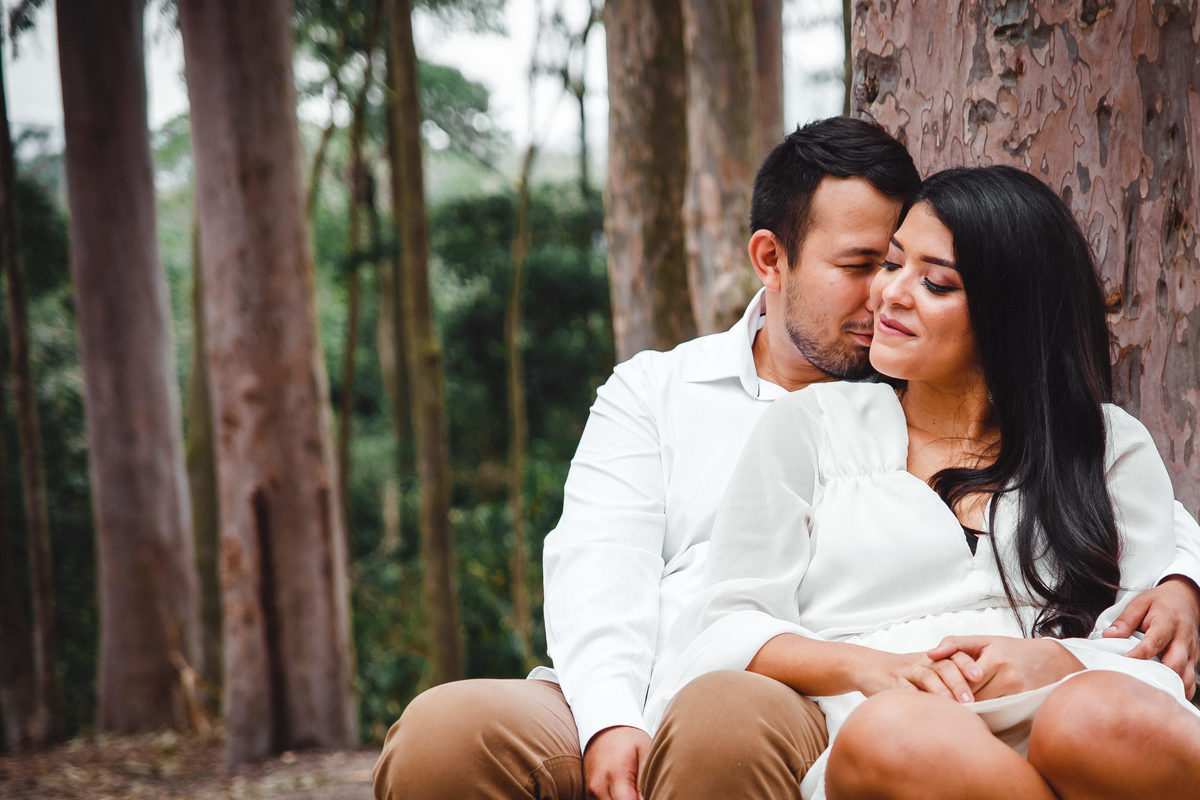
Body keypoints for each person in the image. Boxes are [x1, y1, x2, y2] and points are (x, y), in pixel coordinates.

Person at [372, 120, 1200, 800]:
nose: (885, 294)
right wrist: (610, 719)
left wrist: (1182, 580)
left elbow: (1118, 510)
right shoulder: (663, 392)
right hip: (663, 686)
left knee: (726, 719)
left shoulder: (1052, 428)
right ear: (771, 260)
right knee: (447, 734)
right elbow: (600, 569)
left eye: (913, 266)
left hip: (791, 706)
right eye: (867, 266)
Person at [642, 166, 1200, 800]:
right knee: (897, 734)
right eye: (890, 263)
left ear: (1011, 314)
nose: (889, 294)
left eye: (935, 283)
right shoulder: (811, 428)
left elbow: (1154, 640)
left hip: (1069, 708)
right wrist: (876, 669)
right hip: (889, 738)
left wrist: (1060, 659)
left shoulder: (1104, 443)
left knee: (1094, 717)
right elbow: (730, 625)